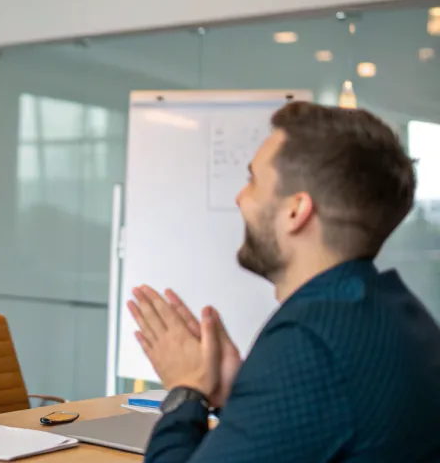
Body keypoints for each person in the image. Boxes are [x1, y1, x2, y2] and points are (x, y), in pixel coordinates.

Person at [128, 101, 440, 462]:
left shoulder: (311, 343)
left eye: (252, 181)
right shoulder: (400, 313)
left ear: (295, 211)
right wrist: (236, 396)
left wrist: (187, 391)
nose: (240, 198)